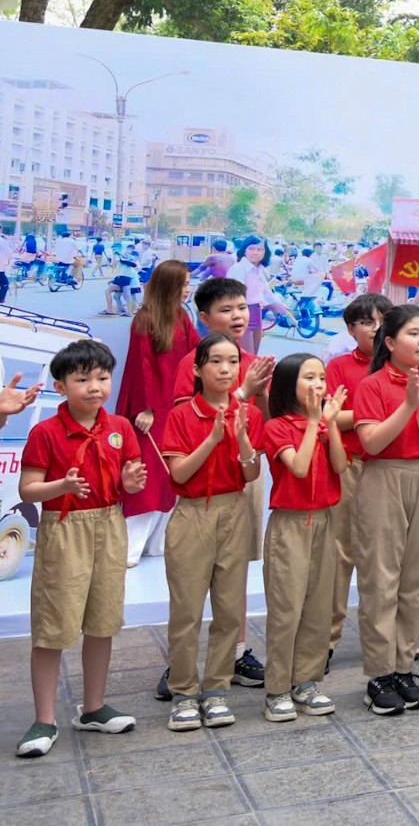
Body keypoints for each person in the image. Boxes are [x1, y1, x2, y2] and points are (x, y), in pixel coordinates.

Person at [16, 340, 145, 757]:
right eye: (82, 378)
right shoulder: (46, 432)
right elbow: (28, 488)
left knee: (103, 620)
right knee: (53, 625)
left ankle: (93, 708)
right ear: (60, 386)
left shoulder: (121, 428)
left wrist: (131, 484)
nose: (95, 387)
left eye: (103, 378)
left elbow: (127, 481)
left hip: (109, 525)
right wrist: (63, 486)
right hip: (65, 528)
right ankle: (44, 719)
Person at [159, 334, 264, 733]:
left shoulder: (249, 413)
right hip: (193, 514)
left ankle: (216, 690)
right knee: (186, 610)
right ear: (197, 370)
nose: (225, 369)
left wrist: (240, 437)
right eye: (216, 361)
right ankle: (184, 692)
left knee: (229, 609)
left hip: (234, 509)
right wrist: (213, 438)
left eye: (232, 361)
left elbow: (251, 474)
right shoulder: (183, 415)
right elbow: (179, 473)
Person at [353, 305, 419, 716]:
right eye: (413, 333)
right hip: (384, 476)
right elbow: (371, 444)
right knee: (381, 578)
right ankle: (379, 673)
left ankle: (404, 667)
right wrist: (407, 405)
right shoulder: (371, 385)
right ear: (389, 343)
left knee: (418, 578)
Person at [258, 354, 347, 721]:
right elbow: (297, 467)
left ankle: (306, 682)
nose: (318, 384)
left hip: (325, 520)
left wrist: (331, 425)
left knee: (318, 606)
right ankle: (277, 688)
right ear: (288, 384)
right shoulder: (276, 426)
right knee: (287, 609)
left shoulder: (323, 424)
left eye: (321, 377)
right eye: (308, 377)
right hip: (290, 525)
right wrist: (314, 425)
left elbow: (340, 466)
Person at [326, 292, 391, 662]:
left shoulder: (402, 367)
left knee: (386, 555)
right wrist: (374, 415)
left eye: (383, 320)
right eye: (367, 321)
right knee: (341, 552)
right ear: (351, 329)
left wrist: (364, 414)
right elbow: (328, 415)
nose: (376, 328)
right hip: (350, 465)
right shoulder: (338, 366)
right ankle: (330, 638)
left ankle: (389, 638)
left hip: (388, 468)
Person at [118, 260, 195, 565]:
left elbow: (194, 355)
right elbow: (140, 368)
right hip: (151, 411)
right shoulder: (144, 320)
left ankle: (156, 544)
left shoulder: (181, 316)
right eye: (184, 284)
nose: (188, 290)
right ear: (169, 286)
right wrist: (146, 408)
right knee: (149, 478)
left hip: (175, 406)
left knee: (171, 477)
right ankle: (129, 549)